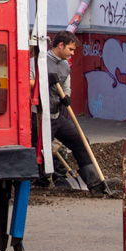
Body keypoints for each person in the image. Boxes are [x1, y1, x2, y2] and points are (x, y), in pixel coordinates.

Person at [45, 31, 107, 194]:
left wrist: (66, 97)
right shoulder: (40, 62)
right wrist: (42, 82)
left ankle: (94, 182)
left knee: (81, 141)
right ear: (60, 45)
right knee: (41, 149)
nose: (72, 53)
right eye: (71, 49)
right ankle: (40, 181)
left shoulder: (65, 65)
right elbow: (27, 84)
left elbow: (66, 87)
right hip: (40, 117)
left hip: (57, 115)